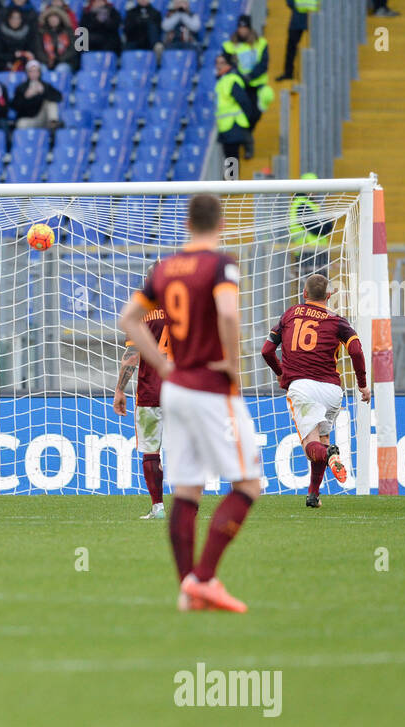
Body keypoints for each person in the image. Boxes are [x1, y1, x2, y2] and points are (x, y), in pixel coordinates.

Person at [118, 194, 261, 613]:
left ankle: (188, 590)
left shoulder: (164, 269)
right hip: (210, 386)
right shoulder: (221, 264)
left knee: (186, 488)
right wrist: (233, 365)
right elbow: (229, 314)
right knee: (248, 484)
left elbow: (128, 318)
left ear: (186, 222)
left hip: (174, 387)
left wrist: (162, 362)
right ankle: (204, 578)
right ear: (219, 224)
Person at [261, 272, 369, 508]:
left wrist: (281, 373)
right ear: (329, 296)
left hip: (302, 387)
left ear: (304, 294)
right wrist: (362, 384)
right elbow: (357, 351)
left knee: (313, 447)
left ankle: (330, 455)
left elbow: (267, 350)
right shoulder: (338, 320)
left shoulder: (290, 314)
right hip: (331, 389)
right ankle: (313, 495)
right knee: (322, 438)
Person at [112, 264, 169, 519]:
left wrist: (119, 390)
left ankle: (158, 507)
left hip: (151, 392)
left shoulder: (141, 316)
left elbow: (131, 357)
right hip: (184, 390)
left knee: (151, 450)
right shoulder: (187, 312)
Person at [224, 15, 272, 118]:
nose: (242, 31)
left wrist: (250, 76)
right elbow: (228, 66)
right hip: (241, 86)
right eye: (240, 28)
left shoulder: (261, 43)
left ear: (249, 29)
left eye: (244, 28)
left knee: (268, 95)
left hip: (257, 85)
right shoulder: (230, 45)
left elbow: (264, 64)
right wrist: (241, 77)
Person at [214, 52, 256, 163]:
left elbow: (244, 101)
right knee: (230, 159)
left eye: (222, 63)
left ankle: (232, 180)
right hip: (227, 126)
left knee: (231, 159)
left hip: (233, 125)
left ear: (228, 64)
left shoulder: (231, 79)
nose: (219, 66)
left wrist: (245, 121)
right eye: (217, 63)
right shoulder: (223, 80)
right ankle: (231, 179)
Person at [289, 171, 332, 276]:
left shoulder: (307, 204)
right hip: (309, 252)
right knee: (315, 286)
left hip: (313, 251)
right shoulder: (302, 204)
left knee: (316, 286)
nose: (315, 190)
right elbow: (318, 228)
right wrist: (328, 223)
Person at [11, 59, 62, 129]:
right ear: (27, 73)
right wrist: (26, 96)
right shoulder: (21, 87)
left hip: (43, 119)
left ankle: (53, 126)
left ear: (39, 72)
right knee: (21, 124)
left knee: (51, 103)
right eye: (31, 71)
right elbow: (15, 106)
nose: (34, 74)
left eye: (36, 71)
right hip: (28, 119)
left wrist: (43, 92)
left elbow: (59, 97)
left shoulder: (45, 85)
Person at [276, 0, 315, 81]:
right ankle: (288, 73)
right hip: (301, 19)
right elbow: (289, 2)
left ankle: (289, 73)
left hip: (313, 19)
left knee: (292, 47)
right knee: (291, 47)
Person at [38, 3, 79, 75]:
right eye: (51, 17)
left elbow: (72, 50)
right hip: (46, 63)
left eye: (55, 17)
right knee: (42, 69)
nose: (53, 20)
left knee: (61, 69)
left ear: (60, 18)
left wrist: (58, 60)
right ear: (47, 19)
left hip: (65, 62)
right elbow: (38, 50)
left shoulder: (69, 32)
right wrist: (47, 60)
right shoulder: (41, 32)